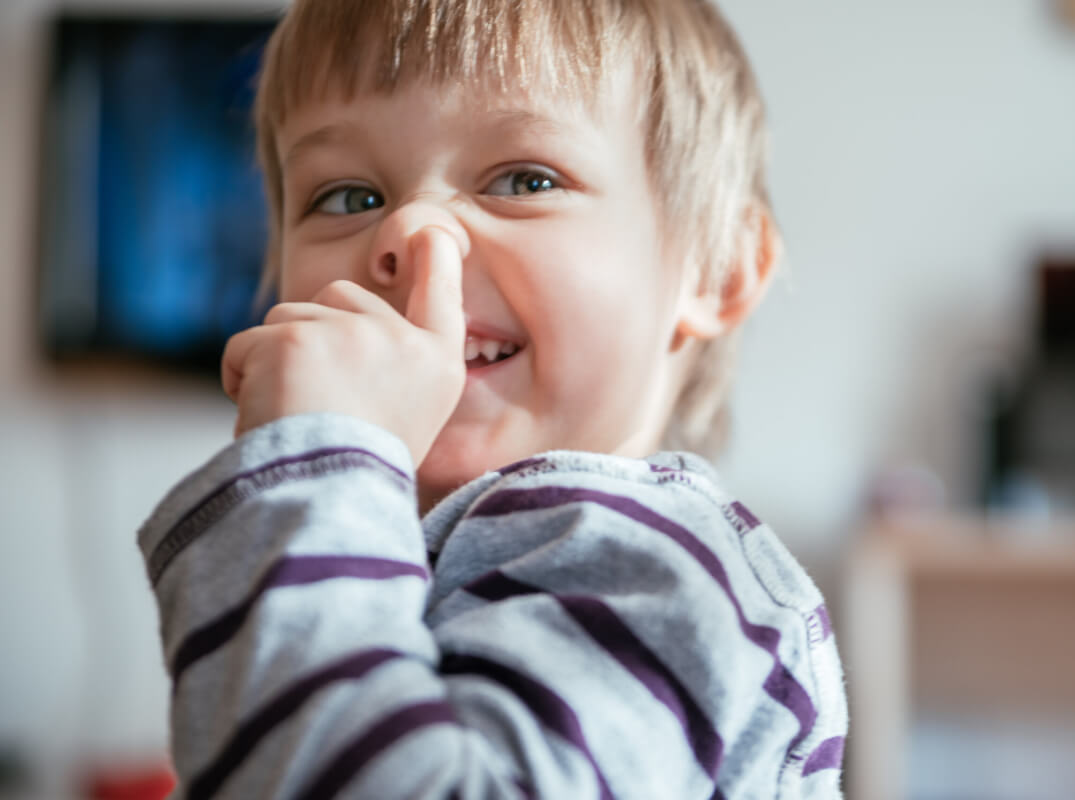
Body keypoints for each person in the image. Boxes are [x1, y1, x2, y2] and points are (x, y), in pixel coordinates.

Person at [137, 0, 849, 797]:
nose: (411, 231)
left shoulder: (660, 571)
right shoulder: (401, 565)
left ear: (716, 270)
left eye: (524, 179)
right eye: (347, 196)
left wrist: (311, 473)